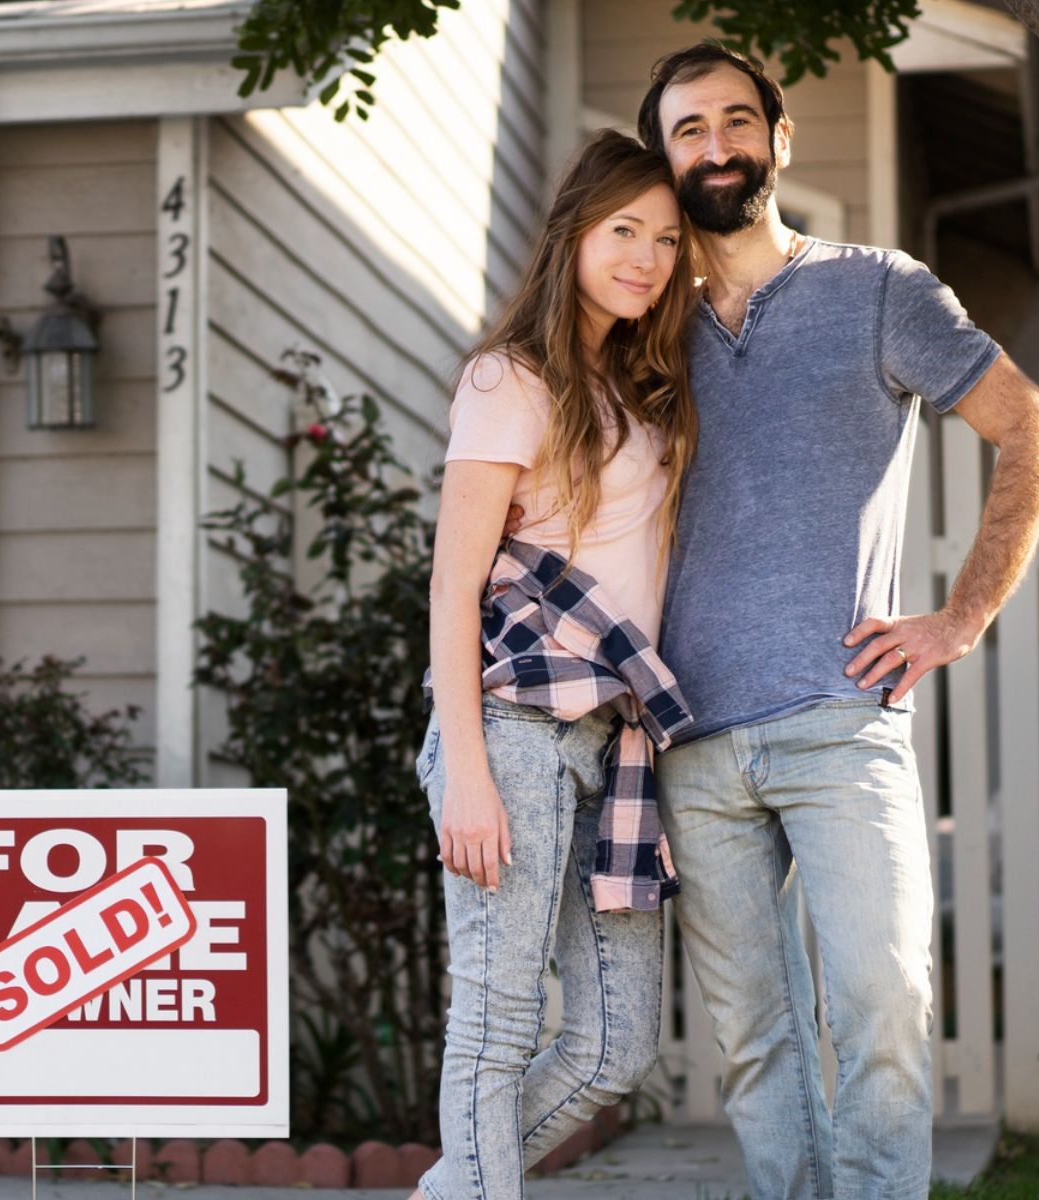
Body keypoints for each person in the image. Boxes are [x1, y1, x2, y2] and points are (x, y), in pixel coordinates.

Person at [630, 40, 1039, 1199]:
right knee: (754, 1047)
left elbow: (1035, 435)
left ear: (779, 139)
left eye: (735, 121)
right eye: (688, 129)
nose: (714, 145)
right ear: (663, 159)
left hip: (840, 721)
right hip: (693, 741)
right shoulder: (643, 328)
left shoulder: (880, 290)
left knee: (883, 1014)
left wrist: (956, 620)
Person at [410, 128, 701, 1200]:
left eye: (667, 239)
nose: (647, 256)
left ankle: (453, 1187)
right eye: (624, 230)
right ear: (573, 234)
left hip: (616, 744)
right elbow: (453, 585)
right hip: (517, 734)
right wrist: (469, 770)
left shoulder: (638, 387)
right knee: (495, 1019)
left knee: (614, 1046)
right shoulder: (510, 380)